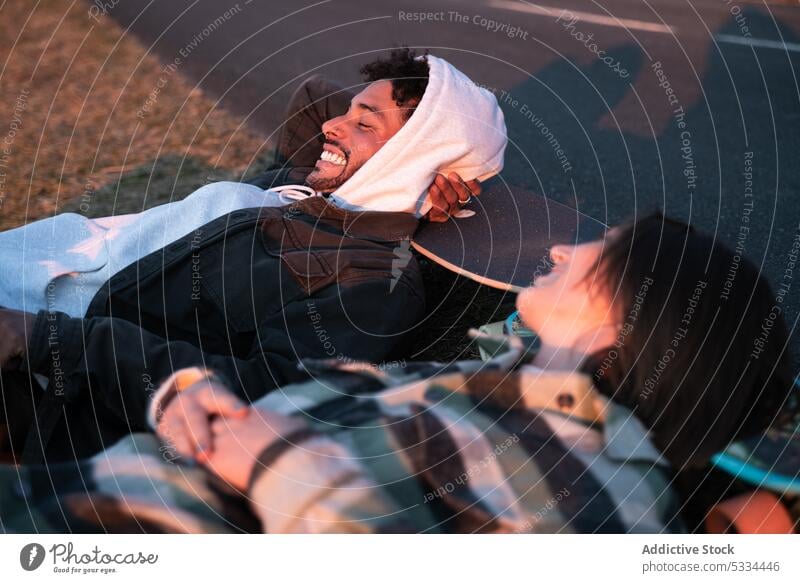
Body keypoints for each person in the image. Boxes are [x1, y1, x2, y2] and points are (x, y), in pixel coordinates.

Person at [2, 213, 793, 533]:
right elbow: (283, 419)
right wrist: (195, 404)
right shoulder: (500, 390)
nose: (561, 249)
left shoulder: (599, 481)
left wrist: (276, 461)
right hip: (95, 479)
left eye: (599, 249)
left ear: (637, 319)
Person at [0, 48, 508, 464]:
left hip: (48, 382)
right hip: (26, 276)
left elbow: (269, 398)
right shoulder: (299, 189)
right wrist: (398, 149)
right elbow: (313, 98)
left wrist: (43, 339)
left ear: (410, 159)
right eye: (349, 111)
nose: (332, 125)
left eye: (364, 123)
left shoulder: (369, 278)